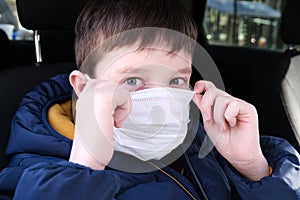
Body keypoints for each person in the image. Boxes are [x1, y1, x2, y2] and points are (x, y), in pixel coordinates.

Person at [0, 0, 299, 199]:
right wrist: (86, 167)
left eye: (176, 80)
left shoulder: (200, 148)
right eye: (132, 81)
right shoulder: (32, 174)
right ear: (83, 88)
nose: (162, 101)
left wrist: (254, 168)